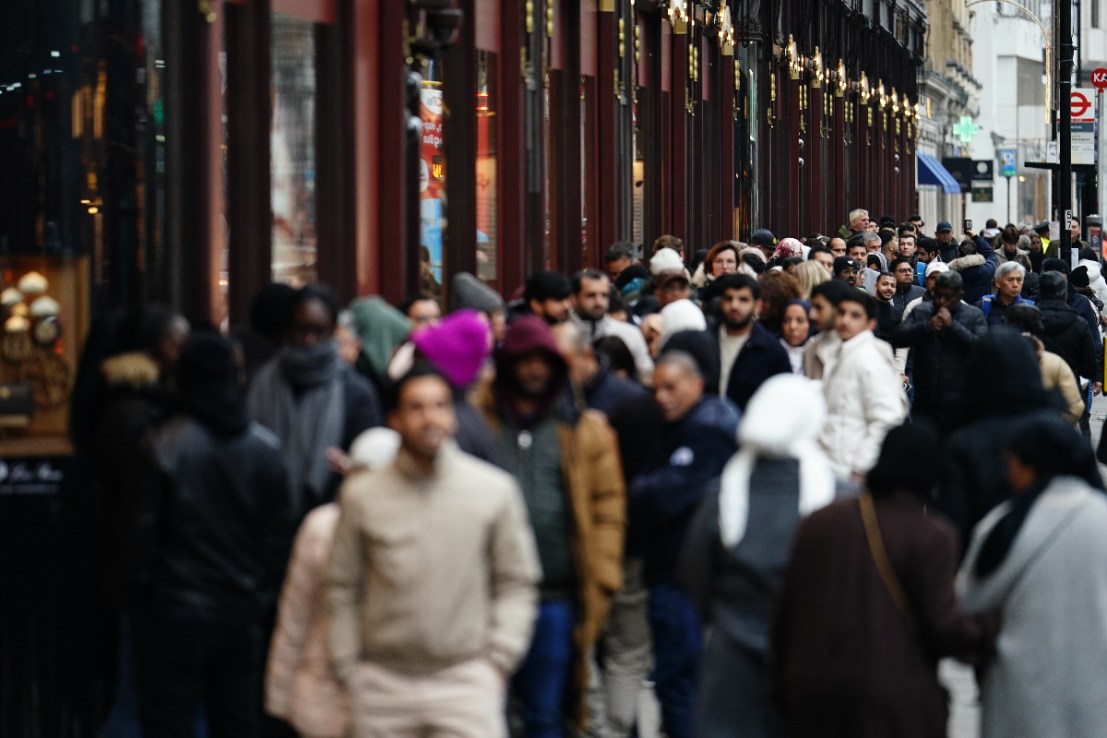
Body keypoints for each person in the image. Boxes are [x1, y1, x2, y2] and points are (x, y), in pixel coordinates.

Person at [774, 424, 994, 738]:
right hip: (888, 699)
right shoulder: (931, 536)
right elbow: (944, 628)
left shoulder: (820, 520)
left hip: (809, 690)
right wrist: (988, 629)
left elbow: (785, 611)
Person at [132, 333, 294, 738]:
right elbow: (280, 535)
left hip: (175, 605)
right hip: (241, 607)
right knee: (237, 719)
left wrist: (139, 594)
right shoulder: (265, 446)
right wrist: (261, 593)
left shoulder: (163, 444)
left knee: (169, 722)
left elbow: (141, 531)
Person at [475, 316, 625, 737]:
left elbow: (608, 506)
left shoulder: (581, 429)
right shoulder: (479, 422)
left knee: (547, 713)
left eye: (544, 360)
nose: (534, 369)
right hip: (489, 595)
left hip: (556, 596)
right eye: (525, 360)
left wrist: (603, 576)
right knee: (491, 713)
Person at [678, 374, 835, 738]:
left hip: (731, 653)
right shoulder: (835, 494)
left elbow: (694, 572)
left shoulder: (723, 491)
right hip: (811, 653)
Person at [958, 416, 1107, 738]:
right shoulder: (1102, 515)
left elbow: (969, 600)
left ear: (1032, 465)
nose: (1008, 471)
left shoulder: (1005, 526)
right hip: (1096, 687)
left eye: (1013, 462)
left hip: (1020, 691)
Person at [628, 350, 739, 738]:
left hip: (681, 573)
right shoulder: (687, 423)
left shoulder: (706, 429)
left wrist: (637, 489)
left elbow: (665, 494)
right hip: (679, 570)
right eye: (656, 389)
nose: (661, 397)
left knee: (678, 681)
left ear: (696, 384)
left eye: (671, 387)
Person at [266, 428, 401, 738]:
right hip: (323, 689)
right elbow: (294, 615)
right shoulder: (320, 527)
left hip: (383, 698)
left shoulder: (413, 533)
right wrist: (280, 694)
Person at [247, 285, 382, 519]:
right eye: (302, 329)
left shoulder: (355, 392)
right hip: (263, 522)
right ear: (288, 329)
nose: (310, 340)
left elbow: (370, 464)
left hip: (330, 522)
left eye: (319, 331)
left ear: (332, 331)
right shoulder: (261, 383)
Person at [936, 329, 1061, 544]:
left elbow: (951, 524)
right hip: (1044, 553)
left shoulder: (963, 440)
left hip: (982, 558)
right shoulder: (1054, 431)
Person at [818, 291, 907, 484]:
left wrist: (860, 468)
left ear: (870, 324)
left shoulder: (868, 359)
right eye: (841, 313)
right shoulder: (840, 351)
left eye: (855, 315)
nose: (845, 320)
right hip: (831, 465)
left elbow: (888, 417)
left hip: (848, 470)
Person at [893, 271, 987, 431]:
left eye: (948, 297)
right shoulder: (922, 311)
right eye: (938, 295)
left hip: (958, 399)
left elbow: (982, 349)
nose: (942, 301)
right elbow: (899, 338)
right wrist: (926, 327)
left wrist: (953, 327)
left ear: (959, 295)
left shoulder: (973, 315)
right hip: (924, 398)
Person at [708, 274, 792, 412]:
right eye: (729, 299)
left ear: (757, 305)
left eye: (743, 300)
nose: (734, 305)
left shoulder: (771, 351)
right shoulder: (704, 340)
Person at [569, 269, 654, 382]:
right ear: (574, 299)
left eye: (604, 295)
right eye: (590, 296)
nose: (599, 302)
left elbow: (647, 378)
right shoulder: (559, 335)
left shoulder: (629, 334)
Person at [802, 279, 853, 380]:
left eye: (819, 308)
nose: (812, 315)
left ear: (838, 308)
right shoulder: (810, 349)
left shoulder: (866, 349)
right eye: (812, 307)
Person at [779, 300, 811, 374]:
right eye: (786, 320)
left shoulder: (818, 352)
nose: (792, 327)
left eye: (800, 321)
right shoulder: (772, 351)